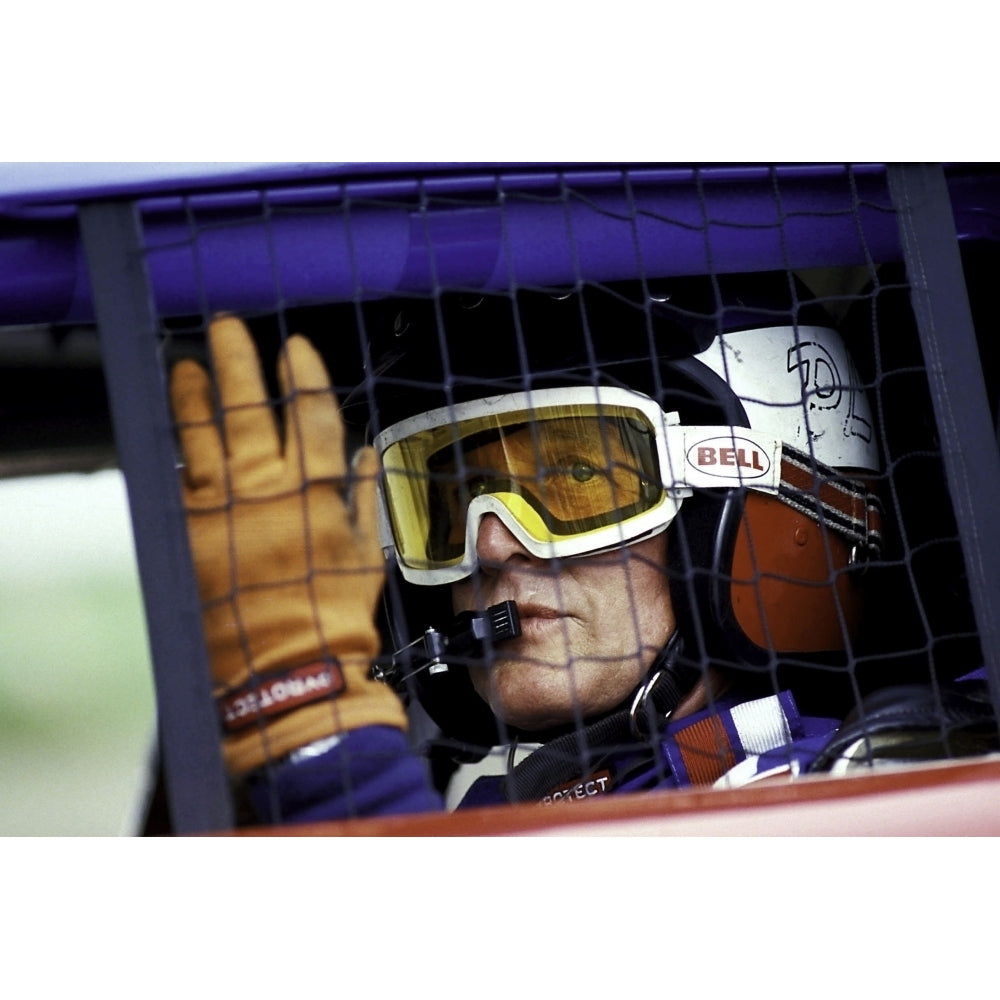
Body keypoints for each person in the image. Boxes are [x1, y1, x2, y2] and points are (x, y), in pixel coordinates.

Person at [167, 280, 914, 826]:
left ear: (757, 500)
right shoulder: (485, 801)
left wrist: (320, 744)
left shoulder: (874, 795)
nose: (490, 543)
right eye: (452, 498)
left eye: (580, 477)